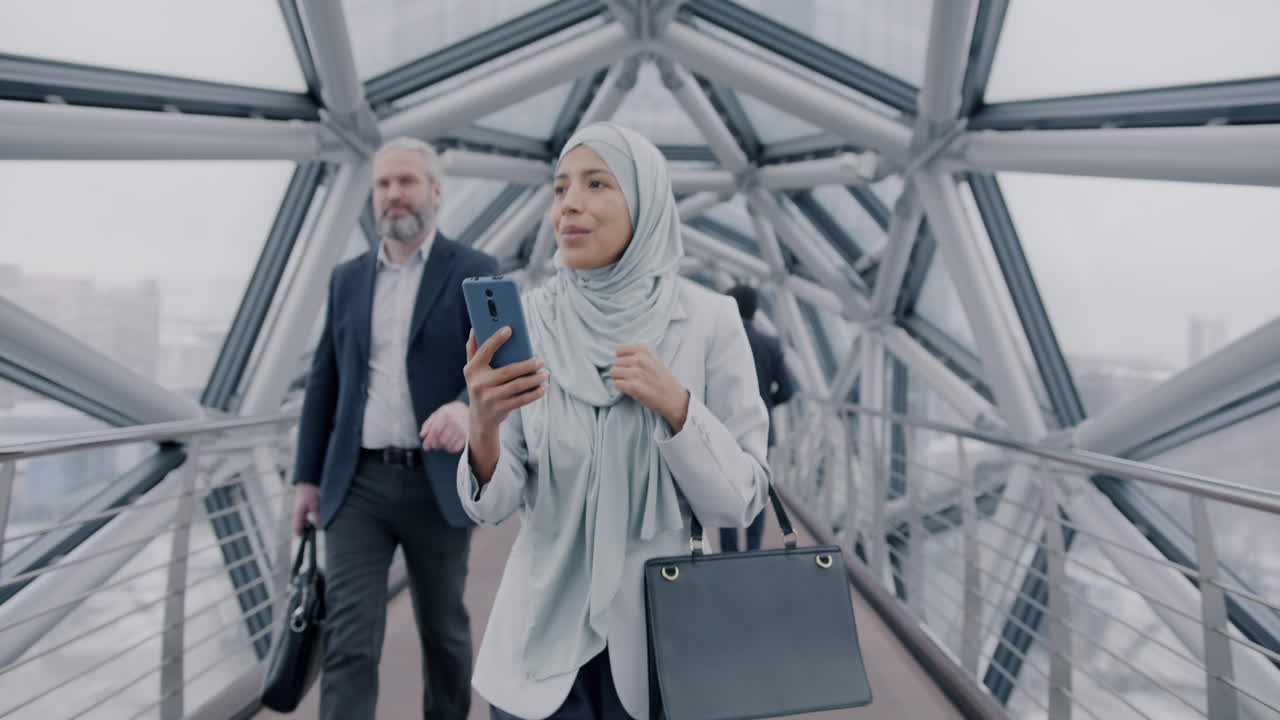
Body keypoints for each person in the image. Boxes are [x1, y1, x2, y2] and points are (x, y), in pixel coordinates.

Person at [456, 122, 771, 720]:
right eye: (560, 188)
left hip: (659, 646)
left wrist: (679, 409)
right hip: (538, 647)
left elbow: (742, 503)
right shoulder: (530, 323)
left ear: (646, 202)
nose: (568, 204)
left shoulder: (708, 321)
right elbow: (494, 507)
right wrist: (484, 426)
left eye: (596, 183)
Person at [291, 136, 498, 720]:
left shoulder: (477, 270)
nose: (393, 195)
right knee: (350, 639)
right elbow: (325, 383)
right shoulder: (347, 279)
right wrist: (306, 480)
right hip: (357, 482)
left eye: (406, 181)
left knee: (444, 632)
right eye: (383, 184)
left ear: (435, 192)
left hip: (436, 483)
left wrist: (465, 406)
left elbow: (504, 362)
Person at [718, 284, 795, 552]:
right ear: (755, 310)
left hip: (724, 428)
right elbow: (787, 390)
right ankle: (753, 549)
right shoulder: (770, 344)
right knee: (758, 489)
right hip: (761, 430)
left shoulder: (719, 341)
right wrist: (765, 405)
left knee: (725, 488)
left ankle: (728, 553)